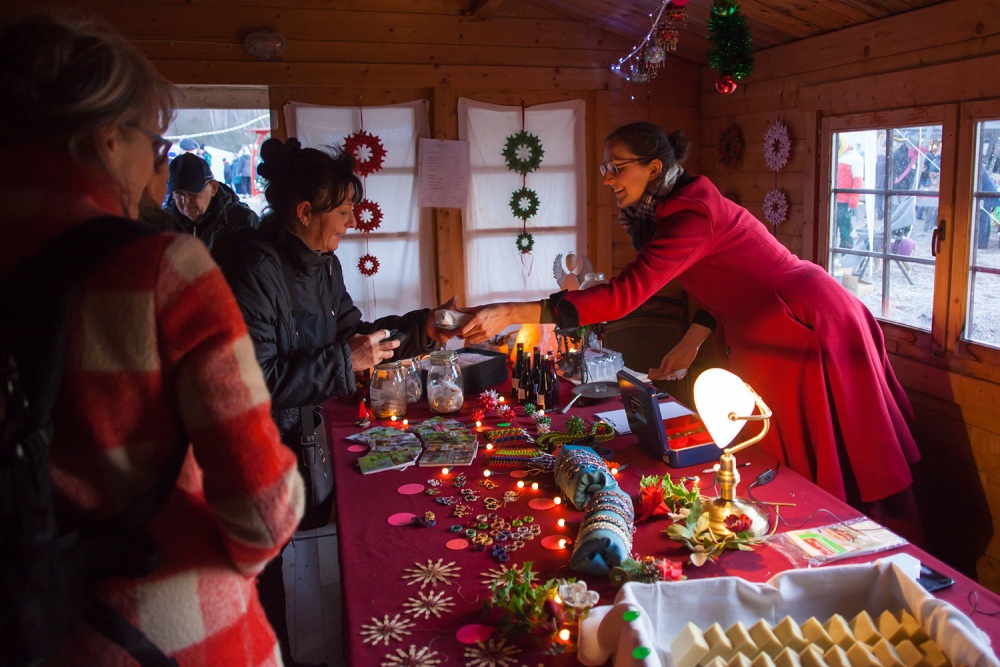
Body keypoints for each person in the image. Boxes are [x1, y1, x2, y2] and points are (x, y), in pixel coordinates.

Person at [0, 11, 303, 666]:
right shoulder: (162, 267)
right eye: (154, 140)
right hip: (167, 626)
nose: (156, 160)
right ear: (106, 139)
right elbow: (263, 509)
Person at [457, 122, 922, 538]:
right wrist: (691, 339)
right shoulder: (680, 206)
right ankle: (805, 532)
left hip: (805, 322)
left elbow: (623, 296)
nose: (607, 178)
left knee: (833, 447)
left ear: (654, 167)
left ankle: (847, 537)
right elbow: (726, 278)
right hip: (767, 324)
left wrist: (513, 312)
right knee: (782, 445)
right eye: (605, 167)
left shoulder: (690, 216)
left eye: (616, 167)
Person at [214, 136, 456, 666]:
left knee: (283, 565)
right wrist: (347, 363)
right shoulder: (253, 269)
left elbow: (357, 336)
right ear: (305, 211)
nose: (351, 223)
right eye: (343, 212)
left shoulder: (324, 263)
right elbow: (258, 382)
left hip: (301, 437)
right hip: (254, 449)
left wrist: (423, 329)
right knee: (263, 575)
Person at [165, 151, 259, 250]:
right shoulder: (164, 226)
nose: (186, 201)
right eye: (179, 194)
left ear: (213, 188)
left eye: (192, 192)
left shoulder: (242, 221)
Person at [835, 138, 864, 249]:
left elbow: (858, 181)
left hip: (844, 201)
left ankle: (846, 251)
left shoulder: (855, 158)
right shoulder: (838, 154)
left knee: (845, 229)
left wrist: (854, 199)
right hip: (834, 199)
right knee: (832, 228)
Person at [977, 168, 1000, 250]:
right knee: (985, 219)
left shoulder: (978, 168)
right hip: (988, 195)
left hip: (987, 196)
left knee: (983, 219)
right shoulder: (980, 167)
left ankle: (981, 244)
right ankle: (982, 243)